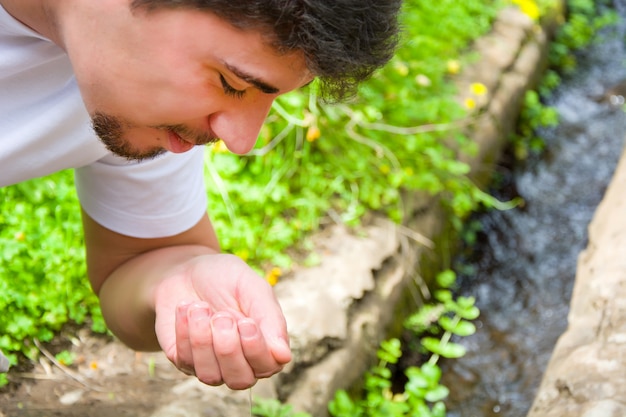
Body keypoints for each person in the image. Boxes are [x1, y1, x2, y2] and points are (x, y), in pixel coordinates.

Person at [0, 0, 401, 390]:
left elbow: (134, 262)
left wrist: (178, 277)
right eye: (231, 83)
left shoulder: (142, 94)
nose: (241, 140)